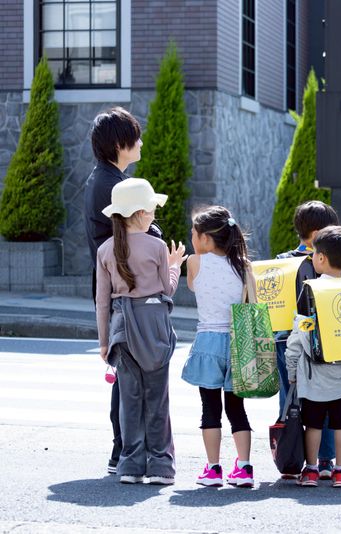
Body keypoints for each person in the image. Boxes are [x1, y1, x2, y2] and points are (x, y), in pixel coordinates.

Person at [83, 107, 162, 475]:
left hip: (119, 291)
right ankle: (122, 451)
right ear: (119, 144)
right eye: (136, 136)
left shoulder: (105, 179)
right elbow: (139, 233)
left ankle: (125, 451)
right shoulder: (109, 185)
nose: (141, 142)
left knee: (127, 377)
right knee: (128, 379)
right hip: (123, 294)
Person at [96, 178, 186, 484]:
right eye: (151, 210)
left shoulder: (106, 249)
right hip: (154, 325)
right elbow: (168, 290)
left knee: (130, 399)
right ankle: (160, 464)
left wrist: (103, 342)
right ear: (139, 213)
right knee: (157, 397)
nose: (153, 215)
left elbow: (101, 302)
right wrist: (174, 266)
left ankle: (131, 465)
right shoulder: (157, 246)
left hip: (121, 328)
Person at [181, 206, 255, 487]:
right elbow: (253, 303)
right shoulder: (244, 265)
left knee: (209, 408)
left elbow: (192, 287)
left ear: (205, 239)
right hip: (239, 342)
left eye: (193, 234)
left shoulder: (195, 263)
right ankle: (245, 467)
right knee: (237, 408)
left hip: (209, 342)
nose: (191, 238)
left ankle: (213, 469)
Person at [285, 226, 341, 488]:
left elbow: (298, 335)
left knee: (313, 425)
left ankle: (312, 470)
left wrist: (292, 369)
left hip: (313, 375)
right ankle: (340, 471)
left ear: (321, 258)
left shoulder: (310, 290)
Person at [274, 200, 339, 480]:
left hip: (284, 339)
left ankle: (290, 458)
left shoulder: (280, 262)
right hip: (322, 342)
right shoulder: (327, 262)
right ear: (317, 233)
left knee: (289, 399)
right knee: (324, 398)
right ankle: (324, 461)